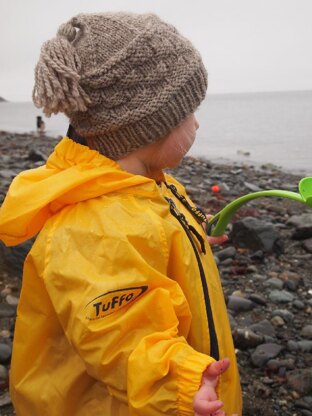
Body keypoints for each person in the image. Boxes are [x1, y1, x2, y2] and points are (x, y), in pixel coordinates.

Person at [0, 12, 242, 416]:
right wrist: (181, 380)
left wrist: (193, 234)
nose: (197, 123)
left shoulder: (149, 183)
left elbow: (152, 236)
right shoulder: (92, 226)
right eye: (186, 113)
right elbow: (116, 332)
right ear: (144, 128)